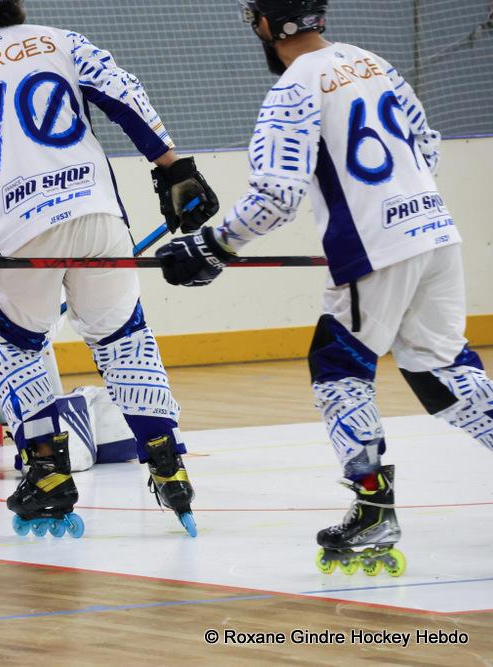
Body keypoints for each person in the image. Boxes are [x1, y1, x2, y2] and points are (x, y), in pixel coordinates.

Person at [155, 0, 492, 574]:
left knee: (339, 371)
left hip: (377, 248)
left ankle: (373, 507)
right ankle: (374, 503)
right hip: (435, 232)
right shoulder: (371, 62)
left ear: (264, 24)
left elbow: (276, 197)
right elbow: (426, 146)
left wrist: (212, 245)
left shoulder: (293, 90)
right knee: (443, 369)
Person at [0, 0, 220, 537]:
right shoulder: (61, 40)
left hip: (17, 231)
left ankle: (47, 472)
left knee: (14, 342)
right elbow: (124, 94)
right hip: (95, 211)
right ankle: (167, 460)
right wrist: (175, 167)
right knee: (122, 335)